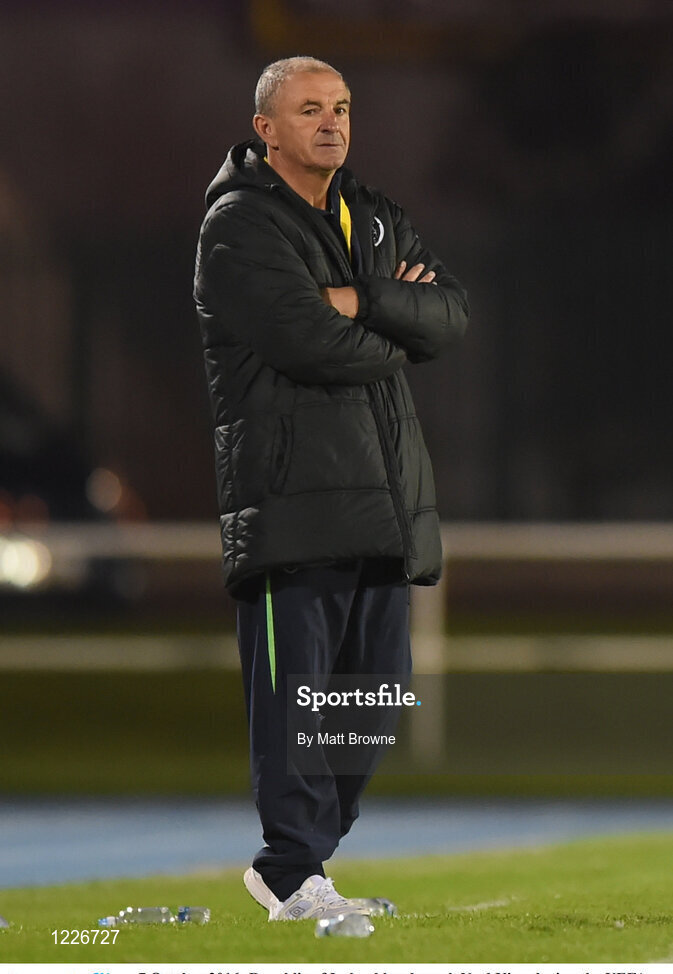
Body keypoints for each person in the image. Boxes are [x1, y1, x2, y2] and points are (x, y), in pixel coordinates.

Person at [193, 56, 468, 921]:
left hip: (383, 503)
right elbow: (307, 343)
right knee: (297, 708)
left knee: (372, 701)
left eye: (342, 107)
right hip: (293, 506)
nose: (332, 122)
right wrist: (396, 319)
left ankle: (307, 863)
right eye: (310, 109)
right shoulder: (238, 225)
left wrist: (359, 299)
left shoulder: (372, 213)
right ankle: (287, 868)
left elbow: (452, 314)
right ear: (265, 128)